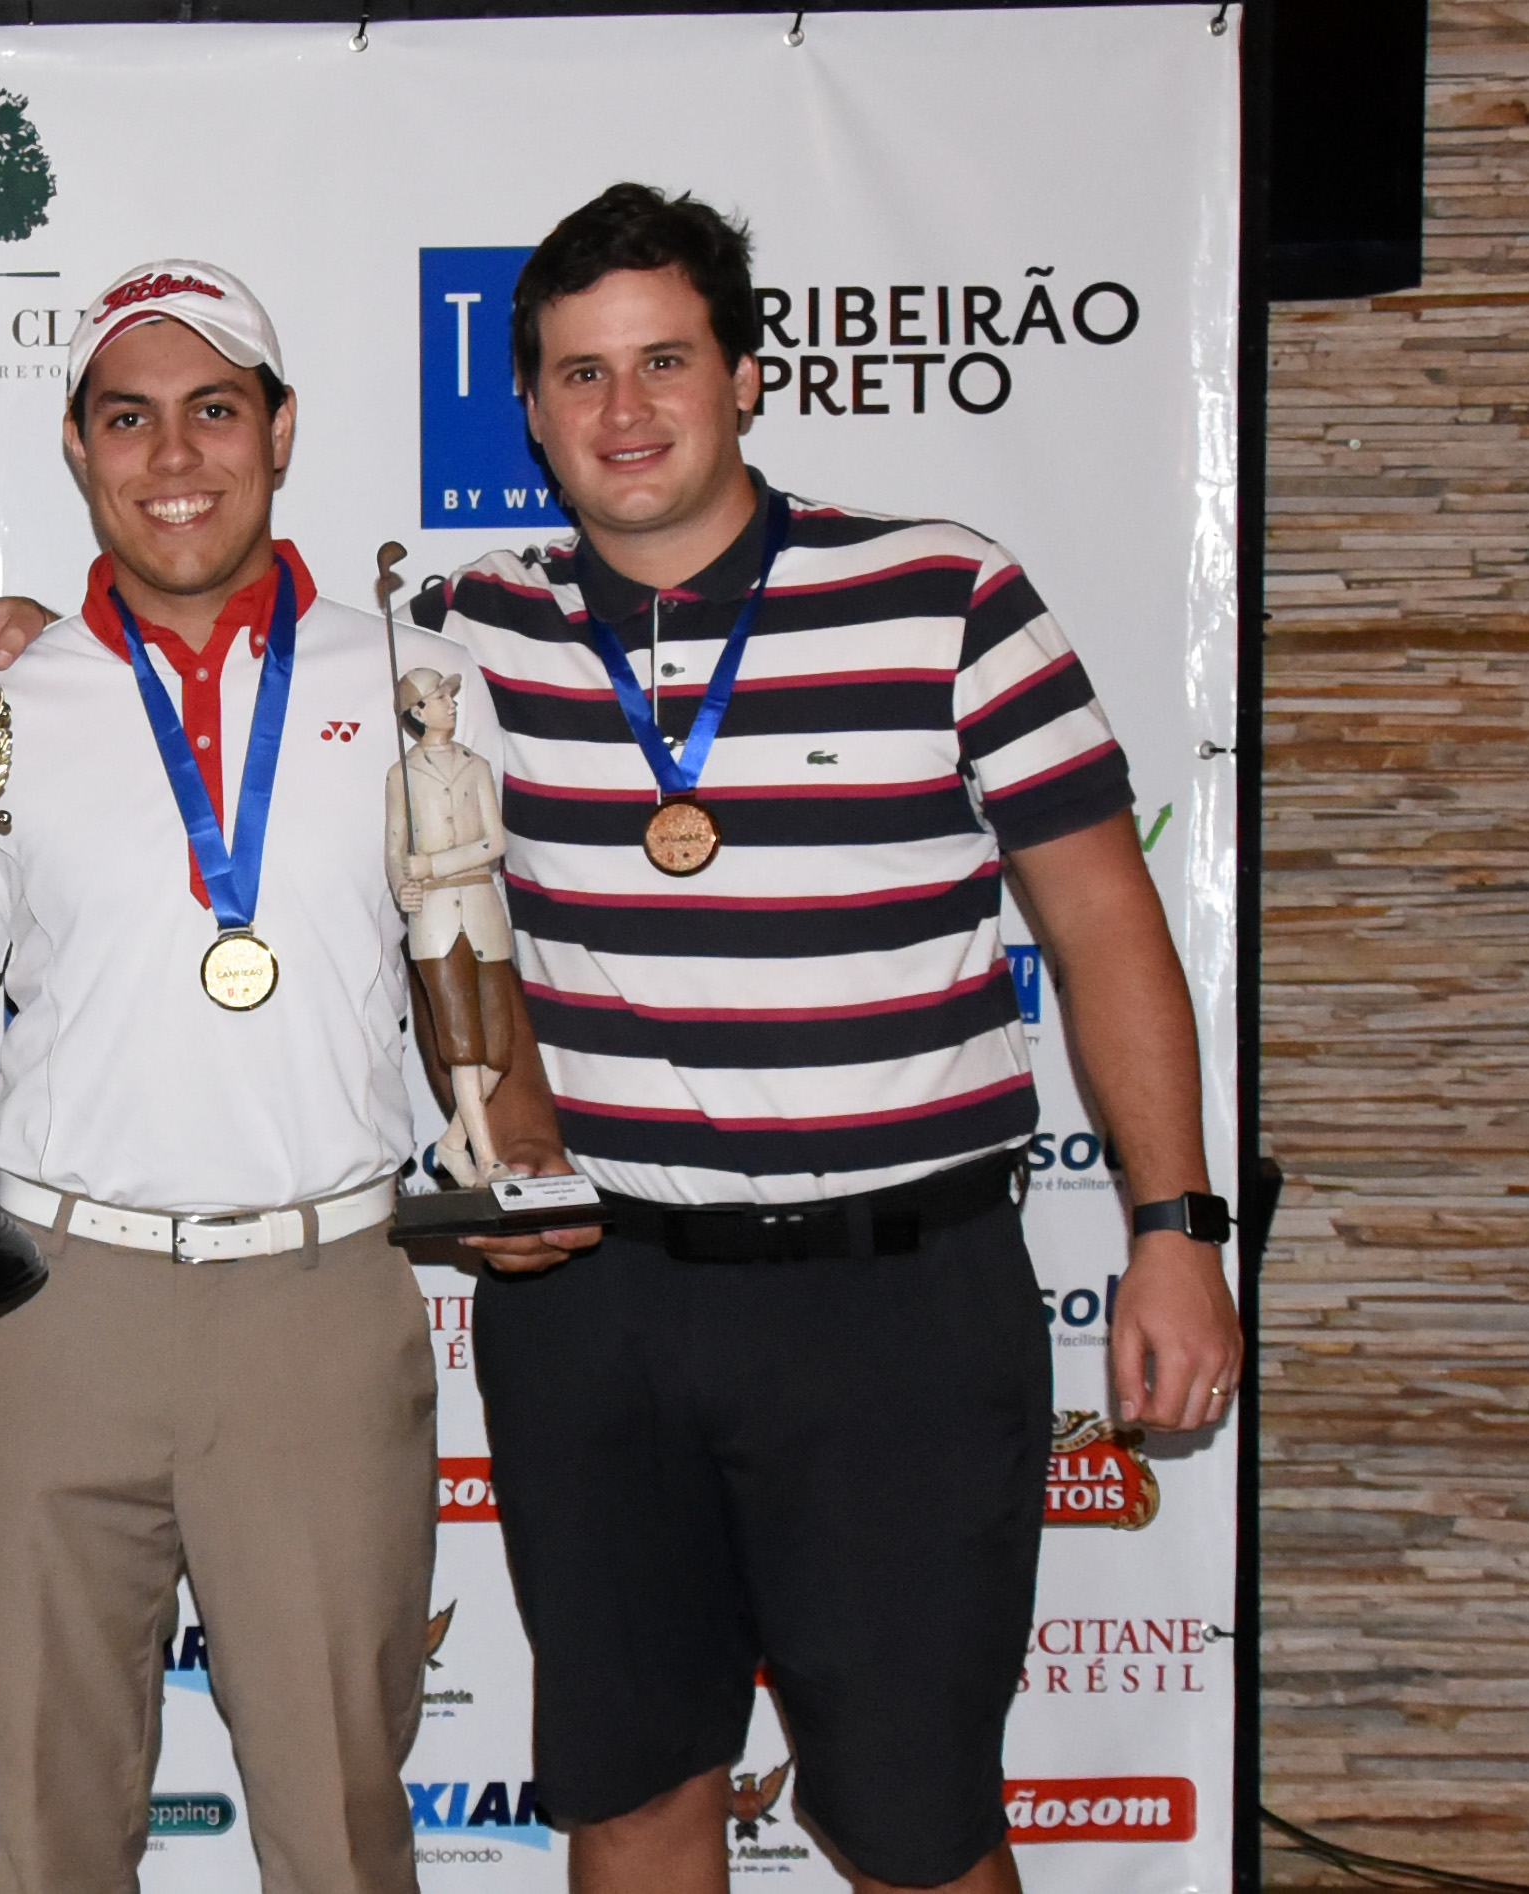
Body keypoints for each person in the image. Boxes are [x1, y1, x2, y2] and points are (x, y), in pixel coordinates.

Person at [412, 184, 1246, 1894]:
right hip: (594, 1300)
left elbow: (1104, 929)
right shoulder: (467, 635)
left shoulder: (947, 593)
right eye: (577, 374)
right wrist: (22, 635)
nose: (622, 412)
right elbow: (244, 672)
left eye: (661, 362)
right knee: (633, 1793)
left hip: (895, 1311)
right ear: (527, 404)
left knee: (909, 1823)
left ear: (744, 374)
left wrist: (1172, 1230)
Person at [0, 260, 488, 1894]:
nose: (175, 453)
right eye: (128, 416)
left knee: (342, 1833)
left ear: (280, 430)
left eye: (214, 408)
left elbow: (486, 976)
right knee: (51, 1824)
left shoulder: (414, 684)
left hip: (315, 1299)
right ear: (81, 452)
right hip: (52, 1306)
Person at [386, 666, 520, 1184]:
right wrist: (405, 884)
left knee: (499, 1051)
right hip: (436, 921)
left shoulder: (478, 765)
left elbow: (495, 844)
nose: (451, 703)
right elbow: (396, 847)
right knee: (461, 1046)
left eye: (450, 696)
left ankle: (450, 1143)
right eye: (440, 697)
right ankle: (487, 1160)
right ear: (418, 712)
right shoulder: (402, 773)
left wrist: (434, 866)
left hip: (485, 911)